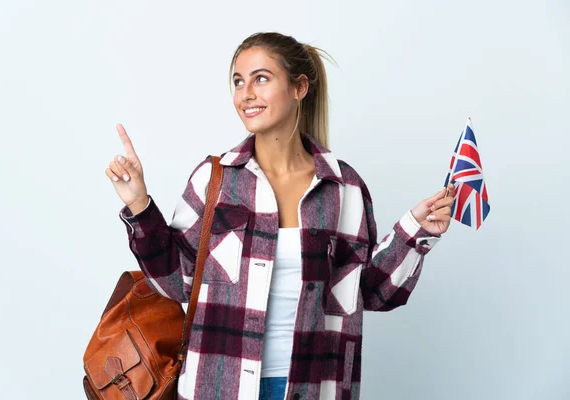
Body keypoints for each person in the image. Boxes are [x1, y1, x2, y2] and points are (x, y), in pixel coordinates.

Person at [105, 32, 454, 400]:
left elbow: (370, 293)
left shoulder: (343, 188)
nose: (246, 94)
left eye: (261, 78)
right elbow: (176, 284)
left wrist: (415, 231)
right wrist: (140, 204)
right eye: (238, 82)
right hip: (221, 387)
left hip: (315, 387)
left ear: (299, 87)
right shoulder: (214, 180)